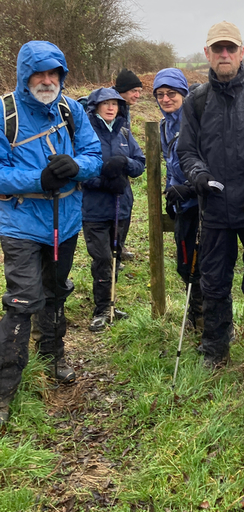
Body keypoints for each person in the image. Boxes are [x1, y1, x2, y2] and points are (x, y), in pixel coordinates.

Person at [0, 40, 103, 426]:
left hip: (66, 223)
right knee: (23, 300)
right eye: (39, 74)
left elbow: (94, 156)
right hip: (21, 224)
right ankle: (5, 389)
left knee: (56, 290)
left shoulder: (71, 110)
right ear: (24, 76)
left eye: (53, 74)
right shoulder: (5, 113)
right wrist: (38, 179)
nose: (46, 81)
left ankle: (53, 355)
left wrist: (76, 167)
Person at [177, 20, 244, 369]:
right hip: (214, 210)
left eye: (230, 48)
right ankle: (215, 348)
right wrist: (199, 174)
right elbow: (186, 150)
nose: (224, 54)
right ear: (207, 54)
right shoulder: (196, 102)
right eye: (217, 49)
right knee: (213, 282)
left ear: (242, 53)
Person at [82, 88, 146, 332]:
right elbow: (78, 171)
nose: (111, 108)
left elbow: (140, 163)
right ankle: (101, 309)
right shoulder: (85, 133)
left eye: (115, 104)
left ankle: (110, 305)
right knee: (102, 259)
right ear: (95, 107)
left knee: (115, 256)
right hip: (94, 209)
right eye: (105, 103)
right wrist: (103, 182)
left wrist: (125, 163)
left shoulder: (124, 132)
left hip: (121, 206)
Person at [153, 68, 203, 330]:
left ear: (183, 93)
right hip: (181, 205)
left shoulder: (196, 123)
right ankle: (196, 312)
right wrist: (170, 193)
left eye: (171, 93)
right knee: (184, 263)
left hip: (202, 206)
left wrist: (190, 189)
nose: (166, 99)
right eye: (160, 94)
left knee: (202, 264)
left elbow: (210, 164)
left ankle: (210, 320)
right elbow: (170, 166)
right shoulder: (164, 126)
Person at [112, 69, 142, 261]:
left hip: (124, 165)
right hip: (109, 168)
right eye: (134, 91)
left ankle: (119, 248)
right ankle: (112, 252)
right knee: (115, 208)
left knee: (126, 205)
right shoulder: (110, 106)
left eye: (139, 91)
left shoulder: (124, 108)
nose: (137, 95)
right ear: (122, 90)